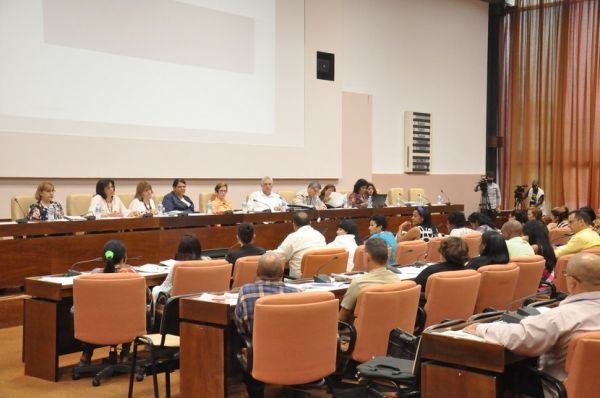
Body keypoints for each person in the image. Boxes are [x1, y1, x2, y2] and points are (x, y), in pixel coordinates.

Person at [464, 253, 600, 397]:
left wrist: (481, 328)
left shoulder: (560, 316)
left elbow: (521, 339)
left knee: (505, 374)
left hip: (559, 390)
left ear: (572, 282)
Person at [234, 253, 298, 398]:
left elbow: (240, 326)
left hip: (258, 353)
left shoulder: (245, 292)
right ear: (282, 273)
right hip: (291, 352)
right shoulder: (296, 293)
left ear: (257, 272)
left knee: (241, 338)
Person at [77, 240, 134, 366]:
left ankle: (86, 355)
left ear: (103, 258)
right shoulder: (132, 274)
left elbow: (85, 300)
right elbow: (146, 297)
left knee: (81, 312)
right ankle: (125, 354)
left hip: (98, 325)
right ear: (124, 258)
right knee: (132, 310)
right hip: (125, 324)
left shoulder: (93, 274)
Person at [338, 238, 400, 322]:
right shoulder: (396, 279)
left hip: (359, 332)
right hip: (390, 329)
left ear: (367, 257)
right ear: (387, 257)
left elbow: (342, 318)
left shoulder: (358, 284)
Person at [151, 234, 210, 302]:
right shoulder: (210, 262)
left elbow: (165, 289)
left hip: (179, 307)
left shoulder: (178, 267)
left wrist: (153, 290)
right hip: (205, 303)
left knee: (155, 289)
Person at [270, 211, 325, 278]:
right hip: (318, 277)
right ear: (310, 223)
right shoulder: (319, 235)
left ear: (294, 224)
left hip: (298, 281)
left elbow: (279, 256)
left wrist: (265, 253)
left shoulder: (293, 237)